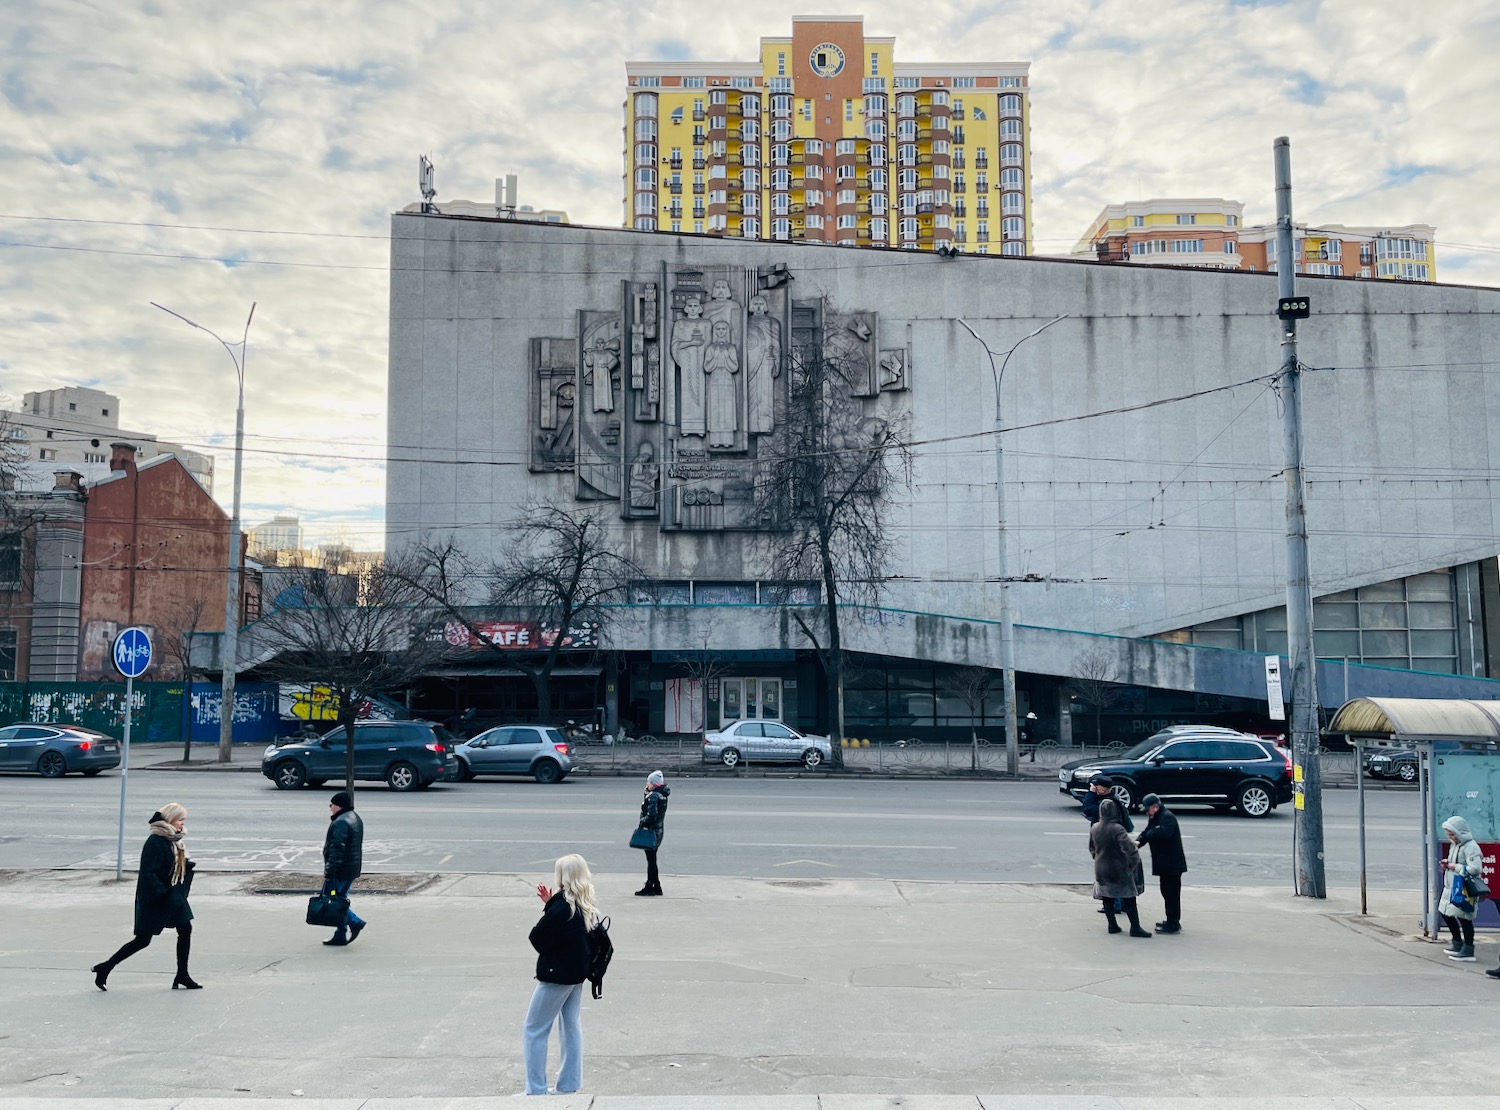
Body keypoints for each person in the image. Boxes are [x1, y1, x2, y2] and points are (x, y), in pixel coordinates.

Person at [92, 802, 199, 990]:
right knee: (142, 940)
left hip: (173, 895)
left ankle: (182, 974)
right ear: (170, 819)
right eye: (180, 820)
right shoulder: (156, 842)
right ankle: (106, 967)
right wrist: (165, 894)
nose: (183, 823)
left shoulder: (173, 840)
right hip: (156, 899)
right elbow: (148, 875)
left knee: (185, 928)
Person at [522, 854, 599, 1096]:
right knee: (570, 1026)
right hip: (576, 975)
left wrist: (550, 906)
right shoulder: (583, 902)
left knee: (534, 1029)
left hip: (557, 976)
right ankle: (569, 1084)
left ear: (563, 876)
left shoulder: (562, 907)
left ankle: (535, 1090)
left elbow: (538, 937)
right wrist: (549, 903)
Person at [1090, 798, 1151, 938]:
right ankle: (1135, 927)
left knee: (1107, 896)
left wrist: (1098, 859)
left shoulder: (1095, 827)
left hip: (1101, 868)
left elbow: (1092, 848)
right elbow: (1131, 850)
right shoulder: (1117, 829)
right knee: (1129, 897)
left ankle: (1112, 925)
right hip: (1119, 869)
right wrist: (1131, 865)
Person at [1136, 793, 1187, 934]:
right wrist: (1138, 842)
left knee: (1172, 894)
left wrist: (1149, 834)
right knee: (1166, 893)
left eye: (1148, 810)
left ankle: (1173, 924)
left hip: (1172, 865)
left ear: (1156, 807)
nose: (1147, 813)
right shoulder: (1156, 818)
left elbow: (1162, 834)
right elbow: (1146, 832)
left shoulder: (1167, 817)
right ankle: (1171, 919)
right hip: (1164, 865)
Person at [1437, 815, 1485, 962]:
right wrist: (1448, 863)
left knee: (1464, 918)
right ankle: (1457, 942)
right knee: (1446, 913)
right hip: (1452, 886)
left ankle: (1468, 949)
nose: (1450, 837)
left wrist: (1453, 866)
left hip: (1463, 888)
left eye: (1452, 834)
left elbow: (1476, 869)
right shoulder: (1456, 845)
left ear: (1460, 833)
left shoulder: (1471, 847)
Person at [322, 790, 366, 947]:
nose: (330, 808)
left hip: (339, 872)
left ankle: (355, 923)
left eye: (331, 804)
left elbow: (337, 850)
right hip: (350, 869)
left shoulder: (341, 822)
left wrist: (329, 872)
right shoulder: (354, 818)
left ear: (338, 806)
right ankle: (340, 934)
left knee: (333, 899)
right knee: (338, 898)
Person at [636, 769, 670, 896]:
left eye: (649, 782)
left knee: (651, 860)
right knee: (652, 860)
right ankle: (655, 885)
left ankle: (652, 886)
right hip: (658, 830)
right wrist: (646, 795)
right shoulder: (661, 793)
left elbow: (651, 815)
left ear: (654, 784)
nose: (647, 784)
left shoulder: (655, 796)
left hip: (652, 831)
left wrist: (642, 823)